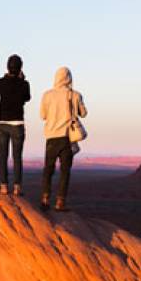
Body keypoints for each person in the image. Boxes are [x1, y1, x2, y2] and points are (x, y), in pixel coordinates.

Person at [39, 66, 87, 211]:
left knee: (48, 169)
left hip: (52, 138)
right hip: (68, 138)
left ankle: (45, 199)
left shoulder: (47, 95)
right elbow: (83, 114)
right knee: (65, 171)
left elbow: (42, 116)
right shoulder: (75, 95)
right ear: (69, 78)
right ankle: (60, 203)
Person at [0, 54, 31, 195]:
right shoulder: (24, 84)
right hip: (17, 124)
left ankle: (3, 186)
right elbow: (27, 97)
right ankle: (17, 188)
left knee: (3, 155)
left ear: (8, 67)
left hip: (2, 123)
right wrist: (21, 79)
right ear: (20, 68)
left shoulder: (1, 82)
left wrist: (6, 77)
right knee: (17, 157)